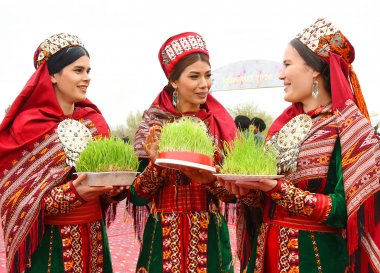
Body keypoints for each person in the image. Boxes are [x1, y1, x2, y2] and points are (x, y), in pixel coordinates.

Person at [224, 18, 380, 273]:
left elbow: (346, 211)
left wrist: (279, 190)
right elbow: (266, 201)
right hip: (267, 254)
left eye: (287, 64)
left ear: (314, 70)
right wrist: (247, 193)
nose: (281, 74)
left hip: (315, 257)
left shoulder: (350, 130)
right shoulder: (282, 127)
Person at [0, 33, 126, 273]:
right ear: (52, 74)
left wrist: (114, 191)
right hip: (50, 247)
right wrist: (73, 192)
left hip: (94, 240)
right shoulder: (28, 126)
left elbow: (103, 192)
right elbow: (17, 199)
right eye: (78, 70)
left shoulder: (94, 122)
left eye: (88, 71)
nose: (86, 78)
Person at [130, 32, 238, 273]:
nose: (204, 84)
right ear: (174, 81)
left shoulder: (220, 126)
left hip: (210, 242)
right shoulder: (154, 125)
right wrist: (156, 165)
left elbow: (233, 196)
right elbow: (138, 196)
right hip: (162, 240)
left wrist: (210, 180)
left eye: (208, 76)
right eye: (194, 76)